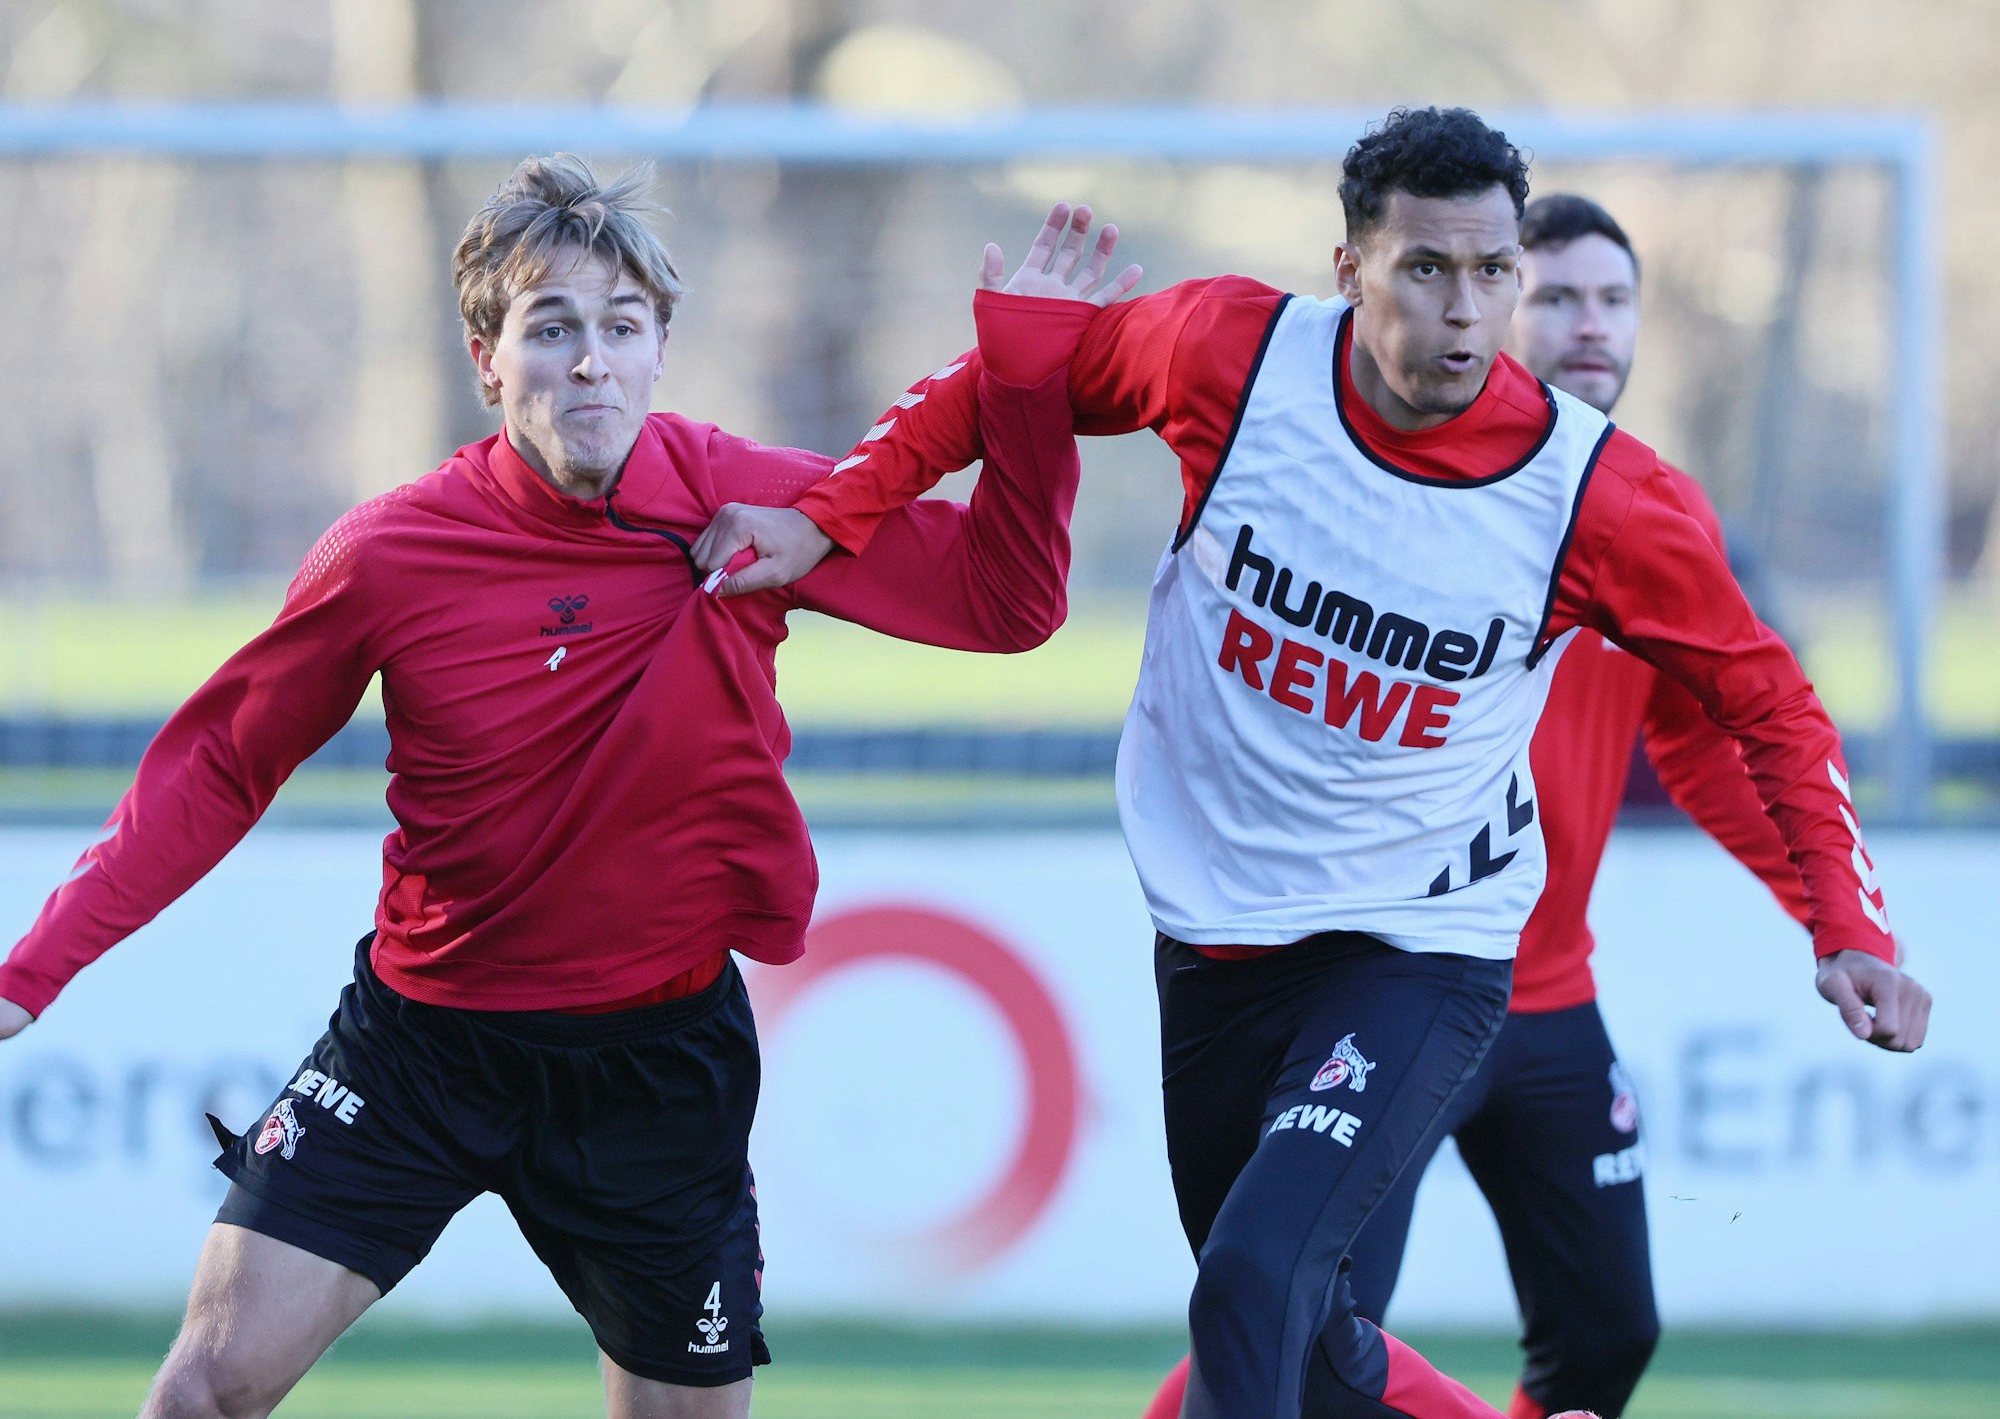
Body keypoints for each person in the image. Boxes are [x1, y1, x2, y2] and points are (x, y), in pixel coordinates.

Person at [692, 109, 1931, 1419]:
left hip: (1417, 950)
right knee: (1304, 1337)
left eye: (1492, 272)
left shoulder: (1601, 497)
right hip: (1213, 946)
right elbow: (1017, 378)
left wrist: (1846, 926)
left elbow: (1769, 706)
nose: (1466, 312)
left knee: (1250, 1289)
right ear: (1349, 267)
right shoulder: (1230, 351)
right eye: (1426, 270)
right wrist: (825, 518)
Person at [0, 155, 1134, 1419]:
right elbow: (220, 765)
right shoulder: (387, 554)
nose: (589, 359)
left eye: (620, 327)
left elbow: (1006, 601)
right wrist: (31, 969)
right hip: (420, 1044)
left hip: (656, 1066)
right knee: (197, 1395)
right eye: (551, 328)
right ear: (489, 361)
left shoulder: (738, 503)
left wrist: (1026, 385)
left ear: (658, 353)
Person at [1130, 193, 1840, 1419]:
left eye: (1612, 300)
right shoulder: (1408, 501)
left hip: (1547, 997)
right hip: (1385, 963)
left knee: (1608, 1333)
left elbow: (1710, 741)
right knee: (1288, 1312)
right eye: (1555, 296)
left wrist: (1832, 921)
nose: (1586, 326)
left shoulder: (1640, 518)